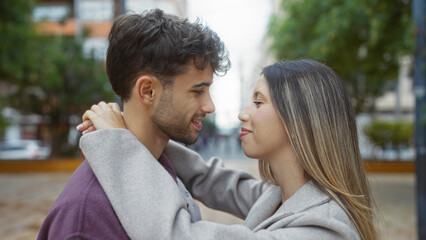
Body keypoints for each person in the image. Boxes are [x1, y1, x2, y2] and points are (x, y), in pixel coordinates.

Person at [78, 59, 378, 239]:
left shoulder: (324, 229)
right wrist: (143, 133)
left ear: (300, 120)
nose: (242, 113)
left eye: (258, 102)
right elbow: (209, 179)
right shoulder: (284, 197)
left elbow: (179, 236)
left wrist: (120, 144)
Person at [37, 8, 230, 239]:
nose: (210, 106)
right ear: (147, 91)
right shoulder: (87, 215)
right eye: (197, 91)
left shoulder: (160, 166)